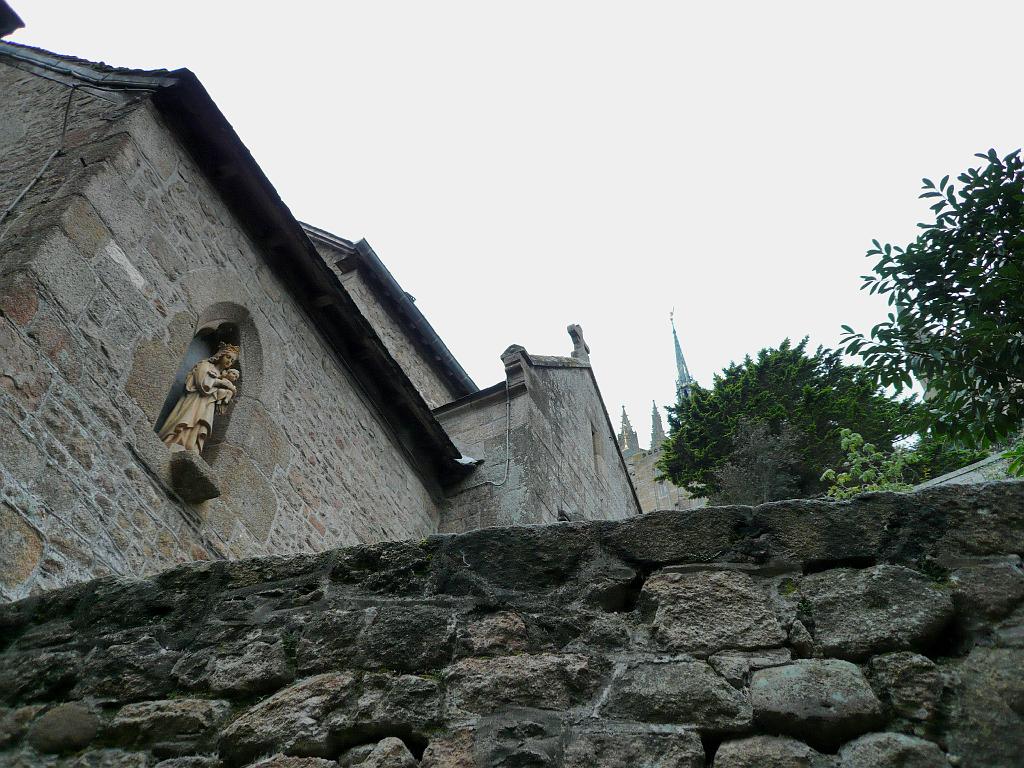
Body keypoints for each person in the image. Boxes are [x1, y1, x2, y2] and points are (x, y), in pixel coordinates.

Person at [158, 341, 240, 455]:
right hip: (195, 400)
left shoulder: (225, 377)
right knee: (186, 420)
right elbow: (202, 383)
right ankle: (174, 441)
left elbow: (220, 402)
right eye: (228, 357)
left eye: (232, 361)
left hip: (208, 405)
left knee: (199, 426)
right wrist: (223, 384)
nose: (229, 361)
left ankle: (190, 448)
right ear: (221, 355)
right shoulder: (205, 365)